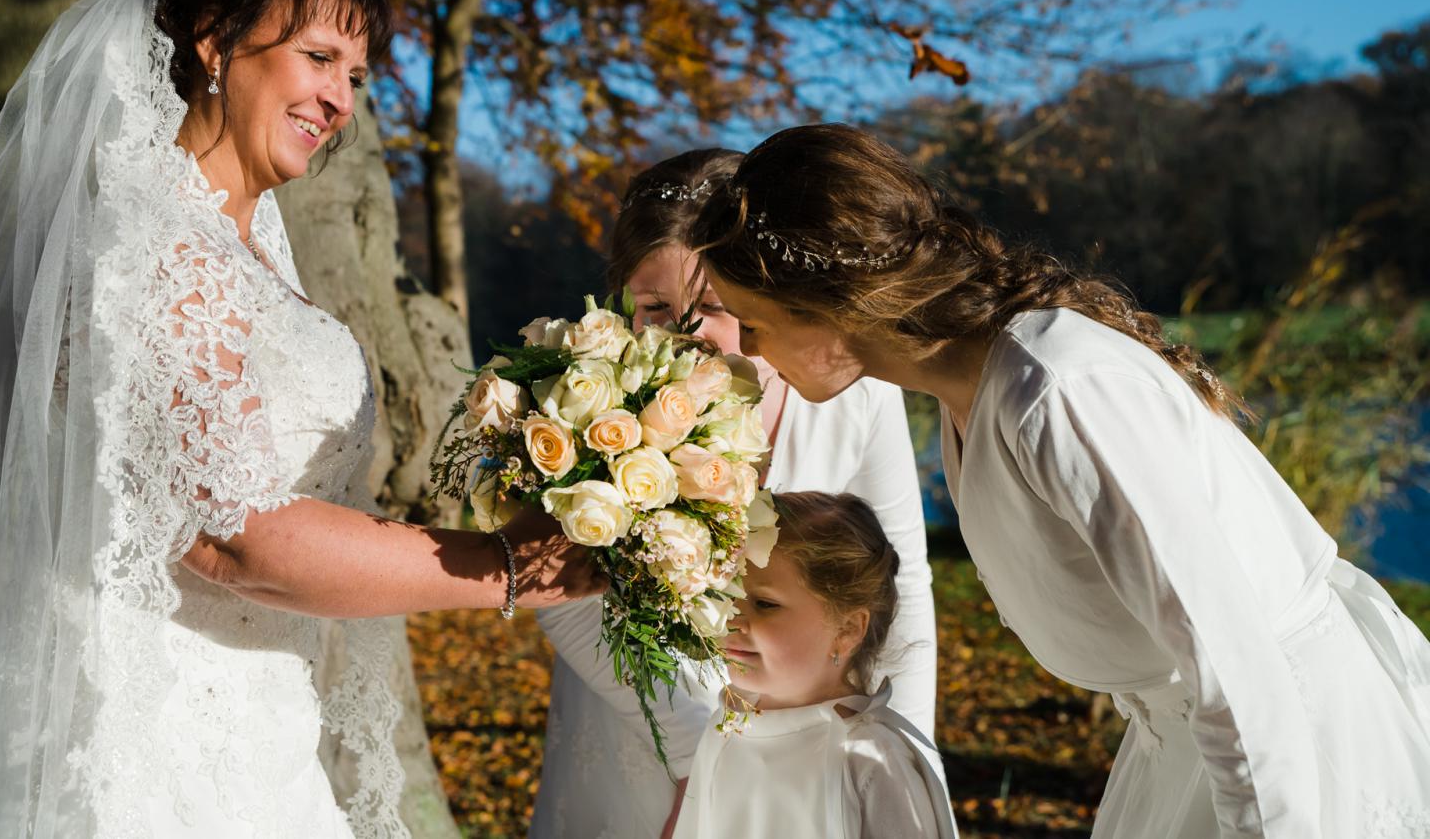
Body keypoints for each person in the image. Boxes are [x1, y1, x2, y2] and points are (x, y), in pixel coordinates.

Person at [0, 0, 598, 839]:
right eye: (317, 56)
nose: (339, 99)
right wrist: (505, 567)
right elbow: (237, 541)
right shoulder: (150, 245)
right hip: (148, 746)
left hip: (264, 722)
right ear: (214, 44)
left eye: (355, 76)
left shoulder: (245, 250)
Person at [692, 122, 1430, 838]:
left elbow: (1233, 670)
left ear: (831, 304)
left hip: (1289, 749)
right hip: (1177, 749)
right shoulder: (971, 393)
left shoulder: (1058, 390)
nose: (748, 351)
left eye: (752, 322)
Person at [530, 149, 937, 839]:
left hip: (812, 750)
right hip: (645, 729)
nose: (689, 337)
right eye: (656, 307)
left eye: (715, 307)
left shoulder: (853, 394)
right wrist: (702, 763)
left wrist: (904, 748)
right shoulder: (583, 406)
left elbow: (903, 583)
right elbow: (562, 597)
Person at [673, 491, 955, 839]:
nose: (731, 618)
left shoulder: (868, 760)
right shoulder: (727, 725)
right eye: (726, 596)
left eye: (764, 604)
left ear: (847, 629)